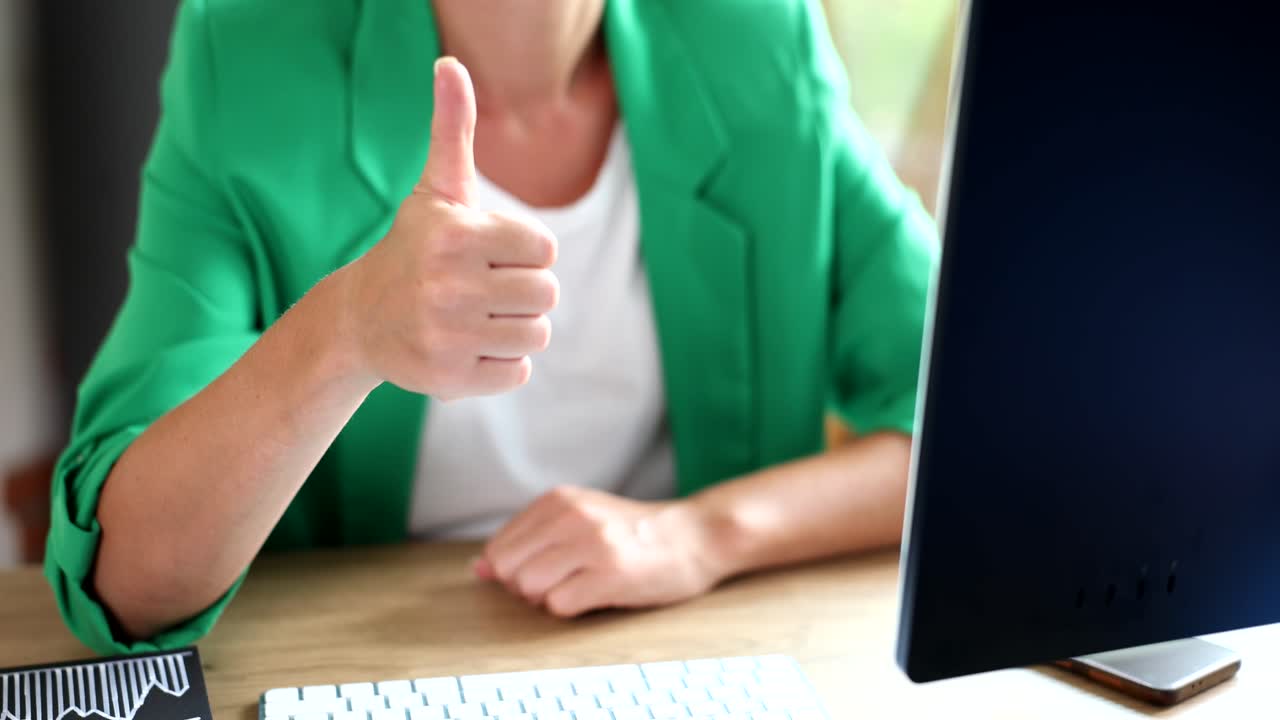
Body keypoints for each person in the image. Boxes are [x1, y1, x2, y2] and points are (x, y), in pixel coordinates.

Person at [45, 0, 938, 655]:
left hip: (683, 653)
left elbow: (970, 420)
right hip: (365, 666)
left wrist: (701, 534)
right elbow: (127, 583)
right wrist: (348, 329)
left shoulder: (754, 37)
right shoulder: (244, 55)